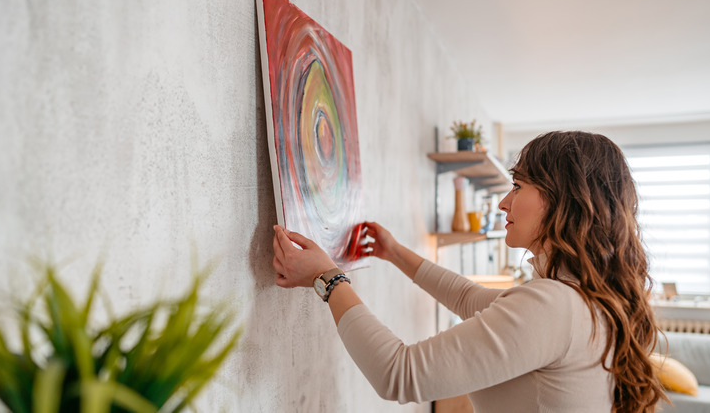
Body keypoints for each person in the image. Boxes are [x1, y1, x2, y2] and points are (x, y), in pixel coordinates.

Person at [272, 131, 666, 412]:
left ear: (564, 200)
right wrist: (395, 253)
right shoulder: (581, 299)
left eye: (518, 186)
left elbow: (399, 374)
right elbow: (467, 297)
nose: (504, 203)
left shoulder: (554, 305)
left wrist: (328, 279)